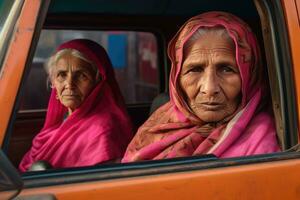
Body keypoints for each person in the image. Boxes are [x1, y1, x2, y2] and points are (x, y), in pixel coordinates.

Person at [122, 11, 280, 162]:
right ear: (177, 78)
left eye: (227, 69)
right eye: (195, 70)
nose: (209, 88)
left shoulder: (262, 144)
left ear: (249, 76)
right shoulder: (161, 120)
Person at [19, 39, 133, 171]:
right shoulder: (61, 123)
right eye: (62, 75)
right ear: (53, 82)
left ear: (98, 83)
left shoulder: (103, 131)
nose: (69, 84)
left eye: (81, 76)